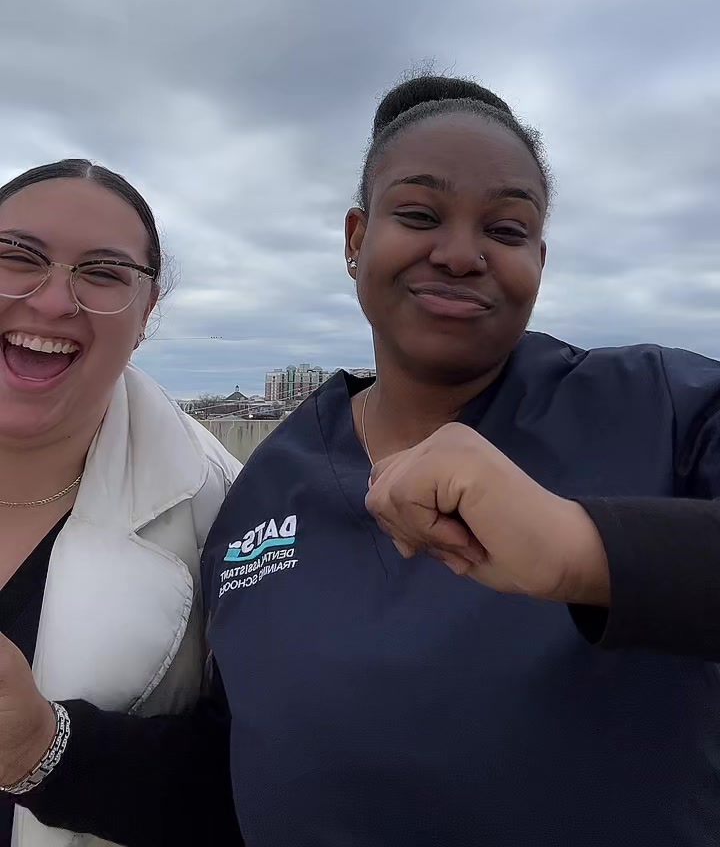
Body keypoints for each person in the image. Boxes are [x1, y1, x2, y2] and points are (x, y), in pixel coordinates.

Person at [6, 76, 720, 847]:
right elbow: (233, 780)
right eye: (418, 214)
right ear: (355, 239)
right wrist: (42, 747)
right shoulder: (261, 492)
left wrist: (584, 551)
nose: (460, 253)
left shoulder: (661, 410)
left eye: (507, 229)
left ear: (539, 259)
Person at [0, 158, 240, 847]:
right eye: (17, 257)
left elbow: (256, 788)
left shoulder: (225, 514)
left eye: (103, 273)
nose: (53, 301)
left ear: (146, 314)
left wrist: (44, 750)